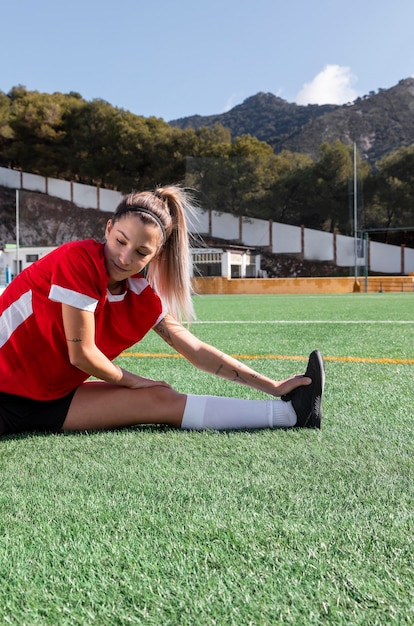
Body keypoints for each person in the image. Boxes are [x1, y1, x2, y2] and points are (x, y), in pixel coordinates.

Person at [0, 186, 325, 437]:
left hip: (52, 399)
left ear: (155, 255)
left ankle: (292, 415)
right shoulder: (78, 261)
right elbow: (82, 355)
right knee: (149, 390)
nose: (125, 258)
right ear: (108, 228)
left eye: (141, 252)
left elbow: (196, 351)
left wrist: (274, 386)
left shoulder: (142, 299)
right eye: (120, 241)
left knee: (161, 401)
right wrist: (135, 381)